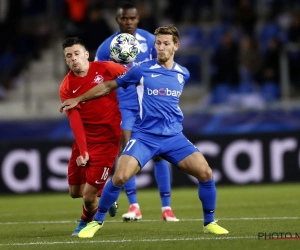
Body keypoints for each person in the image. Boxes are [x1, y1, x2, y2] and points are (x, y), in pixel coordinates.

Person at [60, 24, 229, 238]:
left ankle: (210, 222)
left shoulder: (182, 74)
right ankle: (97, 222)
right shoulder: (141, 69)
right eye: (157, 43)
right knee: (120, 177)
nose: (160, 47)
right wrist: (78, 99)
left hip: (173, 136)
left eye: (165, 43)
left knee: (205, 173)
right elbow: (107, 86)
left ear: (176, 46)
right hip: (145, 137)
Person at [95, 2, 178, 222]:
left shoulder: (151, 41)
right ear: (117, 20)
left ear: (138, 19)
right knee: (128, 151)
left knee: (160, 153)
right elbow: (98, 77)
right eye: (124, 18)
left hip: (150, 105)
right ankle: (134, 206)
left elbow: (166, 67)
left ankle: (166, 208)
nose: (128, 22)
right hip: (124, 106)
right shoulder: (106, 47)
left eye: (132, 18)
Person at [59, 37, 126, 236]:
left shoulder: (107, 69)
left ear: (87, 54)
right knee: (75, 192)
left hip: (107, 141)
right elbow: (75, 121)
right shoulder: (66, 87)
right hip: (84, 141)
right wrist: (83, 150)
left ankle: (85, 221)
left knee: (88, 198)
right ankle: (107, 197)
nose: (73, 59)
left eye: (77, 53)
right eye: (68, 56)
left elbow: (132, 78)